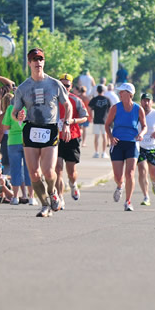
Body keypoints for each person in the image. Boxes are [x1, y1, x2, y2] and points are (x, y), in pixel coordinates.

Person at [12, 47, 72, 218]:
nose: (38, 62)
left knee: (48, 170)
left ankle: (53, 192)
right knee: (34, 172)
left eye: (40, 59)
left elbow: (67, 105)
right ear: (29, 63)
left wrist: (66, 124)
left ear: (44, 62)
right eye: (34, 59)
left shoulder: (54, 84)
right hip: (31, 128)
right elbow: (14, 112)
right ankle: (45, 205)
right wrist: (18, 115)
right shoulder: (23, 88)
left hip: (50, 128)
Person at [105, 82, 146, 211]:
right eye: (120, 92)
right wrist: (111, 137)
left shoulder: (138, 109)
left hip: (132, 143)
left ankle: (128, 201)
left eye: (122, 92)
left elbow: (144, 126)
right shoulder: (115, 108)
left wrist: (141, 134)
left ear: (129, 94)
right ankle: (119, 186)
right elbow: (107, 125)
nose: (119, 94)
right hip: (117, 143)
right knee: (118, 176)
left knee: (130, 173)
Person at [55, 73, 89, 209]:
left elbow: (85, 117)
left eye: (67, 86)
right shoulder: (53, 100)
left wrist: (72, 121)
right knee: (57, 170)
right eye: (61, 85)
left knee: (71, 171)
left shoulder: (75, 100)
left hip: (72, 137)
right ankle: (60, 197)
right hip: (56, 138)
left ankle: (73, 184)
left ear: (71, 87)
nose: (64, 88)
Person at [0, 93, 35, 205]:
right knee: (29, 169)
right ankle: (31, 197)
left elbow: (5, 127)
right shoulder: (29, 108)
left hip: (13, 140)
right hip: (28, 141)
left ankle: (15, 197)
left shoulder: (10, 108)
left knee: (15, 169)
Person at [89, 85, 112, 158]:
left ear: (97, 91)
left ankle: (96, 152)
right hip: (105, 120)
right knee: (104, 136)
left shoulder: (94, 99)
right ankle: (104, 152)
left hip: (96, 119)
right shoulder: (107, 99)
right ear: (103, 91)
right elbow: (111, 109)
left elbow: (89, 108)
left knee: (96, 136)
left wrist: (91, 117)